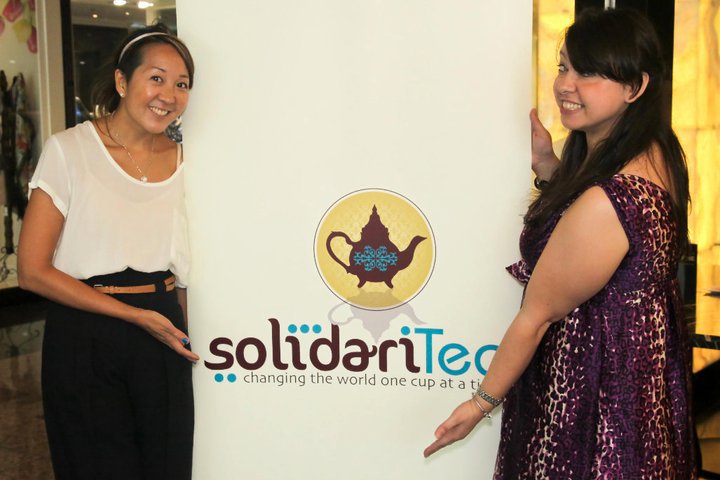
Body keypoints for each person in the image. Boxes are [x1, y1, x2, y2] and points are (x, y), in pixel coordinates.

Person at [424, 8, 696, 478]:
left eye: (588, 73)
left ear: (635, 87)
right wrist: (549, 167)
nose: (566, 85)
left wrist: (479, 405)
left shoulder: (609, 201)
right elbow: (601, 245)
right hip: (635, 394)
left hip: (591, 405)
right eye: (564, 66)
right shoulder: (656, 152)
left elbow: (536, 317)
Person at [17, 24, 198, 480]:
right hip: (85, 332)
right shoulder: (69, 150)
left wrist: (178, 325)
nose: (168, 95)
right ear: (122, 81)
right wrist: (134, 315)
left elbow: (187, 263)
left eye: (181, 84)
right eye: (156, 78)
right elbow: (32, 270)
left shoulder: (189, 161)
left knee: (168, 467)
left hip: (163, 331)